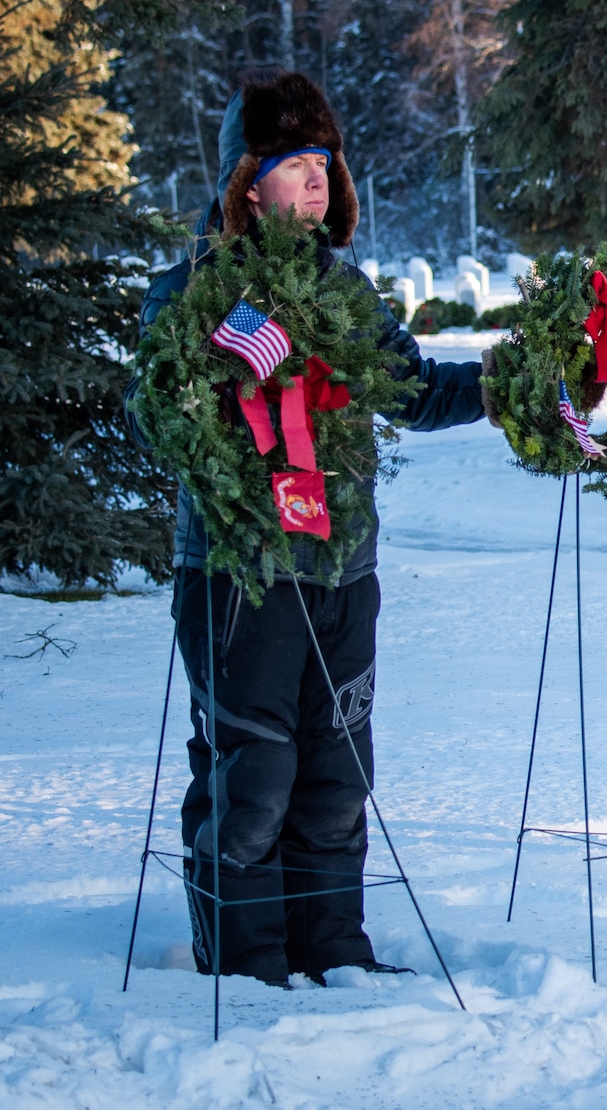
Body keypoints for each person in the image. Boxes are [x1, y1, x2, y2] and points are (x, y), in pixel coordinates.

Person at [126, 71, 493, 987]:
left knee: (337, 770)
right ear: (250, 183)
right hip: (237, 571)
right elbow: (156, 413)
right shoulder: (192, 295)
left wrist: (504, 385)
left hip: (343, 571)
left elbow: (413, 388)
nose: (317, 177)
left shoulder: (349, 293)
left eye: (324, 160)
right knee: (256, 772)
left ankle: (333, 945)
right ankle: (245, 958)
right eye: (295, 163)